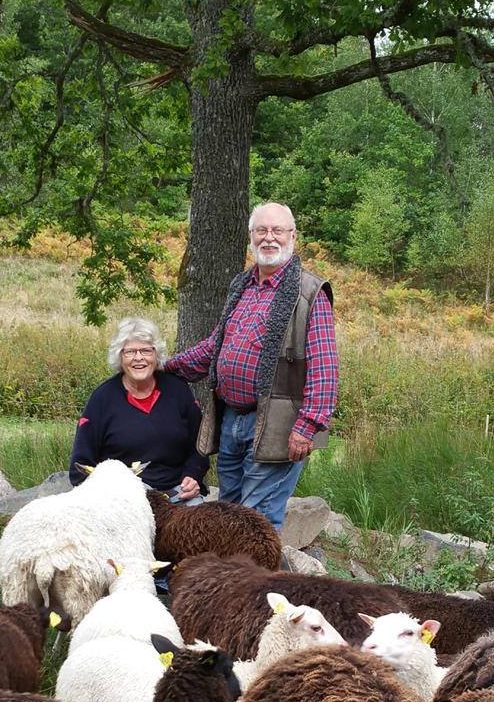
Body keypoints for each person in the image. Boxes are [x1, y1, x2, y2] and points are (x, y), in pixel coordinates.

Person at [165, 201, 338, 530]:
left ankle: (257, 582)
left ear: (292, 236)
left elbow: (324, 370)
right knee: (229, 513)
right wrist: (166, 367)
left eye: (277, 231)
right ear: (251, 236)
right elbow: (215, 347)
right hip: (232, 420)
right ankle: (235, 580)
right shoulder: (242, 286)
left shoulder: (310, 292)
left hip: (278, 424)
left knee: (255, 520)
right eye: (261, 230)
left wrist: (308, 426)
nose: (269, 238)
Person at [69, 317, 208, 503]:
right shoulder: (102, 399)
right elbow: (80, 466)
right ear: (120, 356)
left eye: (146, 351)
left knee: (205, 526)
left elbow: (199, 446)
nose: (139, 358)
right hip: (125, 498)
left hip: (177, 493)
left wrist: (193, 476)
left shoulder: (178, 390)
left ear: (156, 355)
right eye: (130, 352)